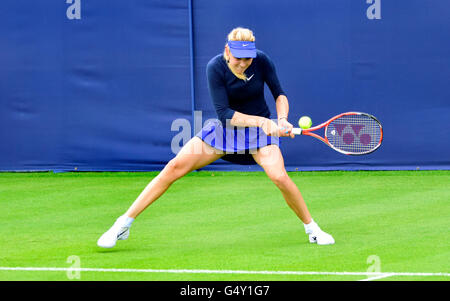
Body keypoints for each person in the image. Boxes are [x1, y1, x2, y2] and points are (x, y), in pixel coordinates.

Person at [97, 27, 334, 248]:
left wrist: (281, 119)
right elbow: (225, 114)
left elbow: (279, 94)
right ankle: (123, 224)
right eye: (238, 58)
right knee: (174, 167)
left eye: (247, 59)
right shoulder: (215, 67)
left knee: (280, 177)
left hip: (261, 134)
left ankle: (312, 229)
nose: (243, 64)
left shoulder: (261, 61)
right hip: (227, 129)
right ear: (228, 51)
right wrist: (263, 122)